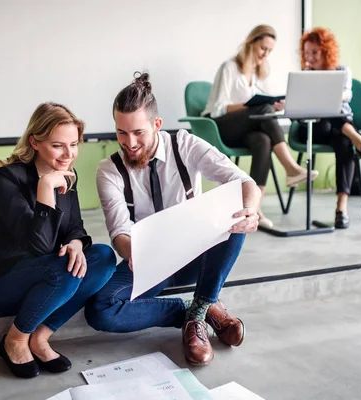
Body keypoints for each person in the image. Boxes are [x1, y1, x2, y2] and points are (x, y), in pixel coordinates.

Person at [85, 73, 261, 366]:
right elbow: (119, 232)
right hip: (149, 261)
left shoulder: (186, 144)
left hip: (196, 254)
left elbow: (243, 181)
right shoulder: (109, 170)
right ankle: (194, 312)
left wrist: (252, 210)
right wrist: (133, 254)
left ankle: (200, 309)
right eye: (121, 133)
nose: (129, 143)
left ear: (157, 124)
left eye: (138, 132)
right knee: (100, 310)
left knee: (236, 211)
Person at [0, 102, 117, 379]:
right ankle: (14, 340)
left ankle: (40, 335)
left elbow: (75, 227)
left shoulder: (67, 175)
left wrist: (75, 244)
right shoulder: (6, 180)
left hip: (48, 279)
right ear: (35, 142)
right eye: (58, 145)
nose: (69, 154)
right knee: (64, 269)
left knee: (102, 257)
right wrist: (46, 186)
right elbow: (38, 246)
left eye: (74, 145)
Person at [203, 24, 319, 229]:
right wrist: (251, 106)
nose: (265, 54)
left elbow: (264, 105)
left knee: (263, 140)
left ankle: (253, 209)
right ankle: (291, 167)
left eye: (270, 51)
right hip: (222, 127)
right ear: (251, 43)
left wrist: (275, 104)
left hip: (246, 130)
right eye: (263, 48)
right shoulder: (229, 67)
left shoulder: (257, 74)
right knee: (262, 108)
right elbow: (217, 109)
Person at [299, 27, 361, 229]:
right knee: (336, 120)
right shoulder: (304, 76)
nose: (310, 58)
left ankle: (341, 208)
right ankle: (360, 143)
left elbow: (346, 95)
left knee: (344, 143)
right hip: (314, 128)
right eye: (307, 53)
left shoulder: (342, 71)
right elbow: (303, 106)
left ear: (326, 51)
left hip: (338, 128)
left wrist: (329, 94)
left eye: (314, 52)